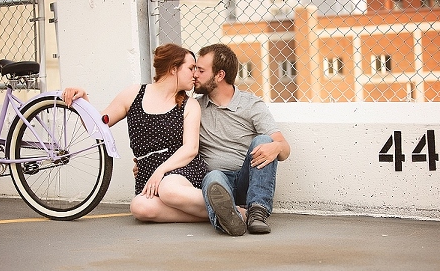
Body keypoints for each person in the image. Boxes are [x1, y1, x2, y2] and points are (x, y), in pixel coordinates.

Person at [62, 43, 209, 224]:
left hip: (180, 170)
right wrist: (83, 100)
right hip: (147, 173)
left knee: (169, 189)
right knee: (140, 207)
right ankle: (216, 214)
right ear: (173, 68)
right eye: (191, 68)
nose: (195, 74)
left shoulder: (189, 104)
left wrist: (161, 170)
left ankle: (232, 209)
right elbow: (98, 125)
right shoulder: (134, 94)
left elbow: (191, 149)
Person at [193, 43, 291, 236]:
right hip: (219, 184)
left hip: (248, 179)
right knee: (212, 177)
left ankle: (257, 212)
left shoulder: (251, 104)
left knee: (264, 140)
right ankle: (231, 219)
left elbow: (285, 148)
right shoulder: (195, 108)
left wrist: (276, 147)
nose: (194, 74)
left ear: (219, 75)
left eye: (201, 70)